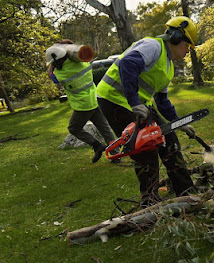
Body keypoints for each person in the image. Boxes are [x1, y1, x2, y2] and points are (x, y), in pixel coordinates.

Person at [97, 16, 198, 206]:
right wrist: (134, 102)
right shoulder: (153, 46)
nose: (187, 51)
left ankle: (185, 190)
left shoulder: (168, 67)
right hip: (113, 99)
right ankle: (149, 201)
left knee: (169, 141)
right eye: (187, 46)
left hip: (136, 104)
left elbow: (162, 101)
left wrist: (180, 123)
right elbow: (128, 64)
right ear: (176, 37)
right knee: (146, 148)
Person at [45, 39, 119, 164]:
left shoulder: (61, 73)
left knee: (74, 128)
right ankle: (116, 155)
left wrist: (52, 64)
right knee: (105, 128)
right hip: (94, 98)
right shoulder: (83, 63)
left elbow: (52, 76)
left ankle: (97, 145)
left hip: (82, 105)